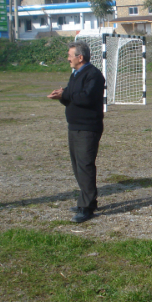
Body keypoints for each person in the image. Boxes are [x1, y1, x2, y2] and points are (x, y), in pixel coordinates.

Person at [48, 42, 105, 223]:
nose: (68, 59)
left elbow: (86, 98)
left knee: (85, 166)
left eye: (70, 55)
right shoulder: (75, 74)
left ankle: (86, 207)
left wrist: (66, 95)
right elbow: (73, 97)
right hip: (74, 126)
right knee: (78, 166)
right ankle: (88, 200)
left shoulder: (93, 75)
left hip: (87, 128)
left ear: (80, 57)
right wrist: (62, 95)